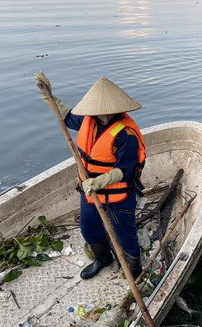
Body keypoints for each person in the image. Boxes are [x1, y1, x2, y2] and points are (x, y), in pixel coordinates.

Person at [35, 72, 146, 280]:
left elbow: (126, 170)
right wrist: (49, 96)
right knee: (89, 229)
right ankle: (103, 258)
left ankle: (133, 269)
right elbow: (66, 116)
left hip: (118, 195)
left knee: (125, 235)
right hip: (89, 191)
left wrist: (100, 181)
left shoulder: (126, 135)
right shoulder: (89, 120)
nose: (100, 113)